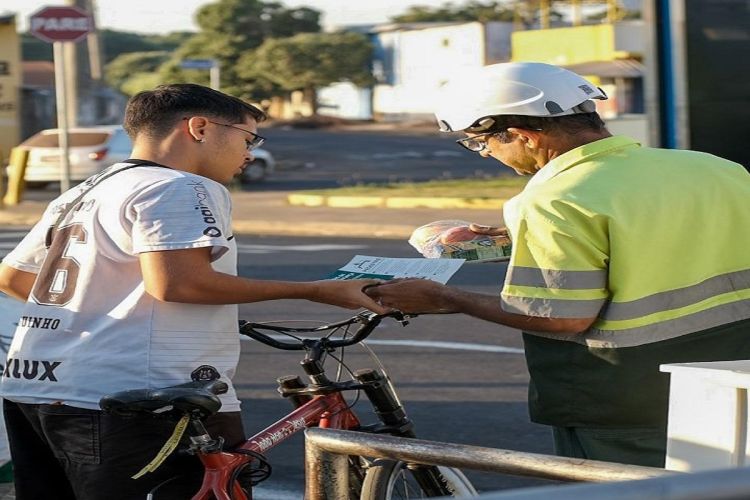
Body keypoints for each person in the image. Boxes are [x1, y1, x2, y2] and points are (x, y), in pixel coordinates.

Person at [0, 83, 388, 500]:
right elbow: (179, 283)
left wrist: (105, 310)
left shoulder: (86, 189)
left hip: (35, 386)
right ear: (200, 128)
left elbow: (14, 278)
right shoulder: (180, 185)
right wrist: (316, 290)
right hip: (143, 393)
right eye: (247, 137)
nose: (250, 153)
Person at [366, 62, 750, 468]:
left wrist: (444, 297)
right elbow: (667, 235)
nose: (487, 153)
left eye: (481, 143)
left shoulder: (554, 199)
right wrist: (518, 237)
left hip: (628, 399)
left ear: (521, 135)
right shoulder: (715, 168)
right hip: (734, 381)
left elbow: (560, 317)